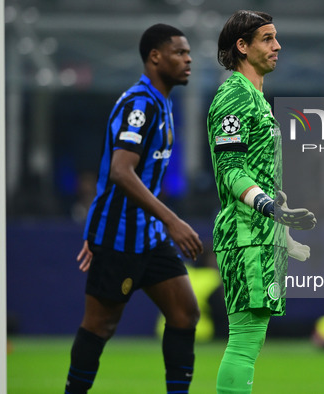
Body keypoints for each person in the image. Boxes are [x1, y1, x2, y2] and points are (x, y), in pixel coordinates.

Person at [64, 24, 203, 394]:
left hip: (150, 236)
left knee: (185, 313)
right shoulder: (140, 105)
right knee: (100, 326)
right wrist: (172, 221)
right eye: (179, 52)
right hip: (119, 236)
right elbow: (120, 171)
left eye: (188, 53)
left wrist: (162, 225)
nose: (188, 59)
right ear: (155, 57)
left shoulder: (163, 102)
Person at [207, 10, 316, 394]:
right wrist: (271, 211)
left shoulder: (255, 97)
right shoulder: (234, 96)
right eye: (268, 38)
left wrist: (280, 230)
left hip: (260, 235)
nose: (277, 46)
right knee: (243, 343)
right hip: (245, 235)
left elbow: (258, 174)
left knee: (249, 343)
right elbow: (231, 171)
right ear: (242, 46)